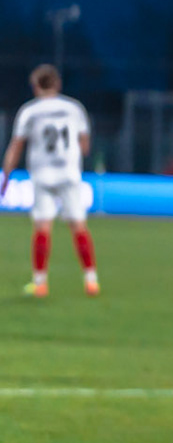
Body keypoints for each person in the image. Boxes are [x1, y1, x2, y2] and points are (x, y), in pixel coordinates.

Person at [2, 66, 97, 297]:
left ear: (35, 86)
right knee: (78, 227)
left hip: (42, 174)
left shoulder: (29, 111)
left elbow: (16, 146)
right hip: (69, 173)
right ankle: (91, 280)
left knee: (43, 227)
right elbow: (85, 146)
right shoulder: (74, 108)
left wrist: (6, 176)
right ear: (58, 84)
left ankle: (40, 283)